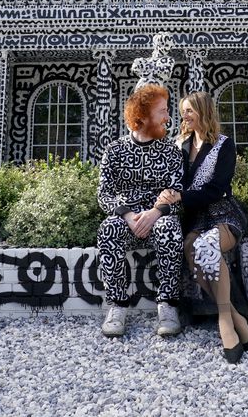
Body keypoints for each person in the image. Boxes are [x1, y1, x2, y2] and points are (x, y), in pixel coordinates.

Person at [155, 91, 248, 363]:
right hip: (196, 217)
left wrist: (181, 196)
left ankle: (224, 322)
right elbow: (172, 179)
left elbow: (217, 189)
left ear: (204, 112)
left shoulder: (224, 145)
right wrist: (167, 195)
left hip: (223, 214)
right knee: (190, 248)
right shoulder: (179, 143)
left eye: (190, 111)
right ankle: (236, 318)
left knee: (207, 245)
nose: (185, 116)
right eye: (183, 111)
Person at [96, 83, 185, 338]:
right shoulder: (114, 150)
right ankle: (117, 306)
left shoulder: (170, 151)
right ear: (142, 116)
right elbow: (104, 193)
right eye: (163, 112)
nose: (168, 117)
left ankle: (167, 305)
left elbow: (176, 190)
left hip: (159, 217)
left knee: (170, 230)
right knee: (107, 230)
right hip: (126, 218)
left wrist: (155, 212)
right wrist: (127, 215)